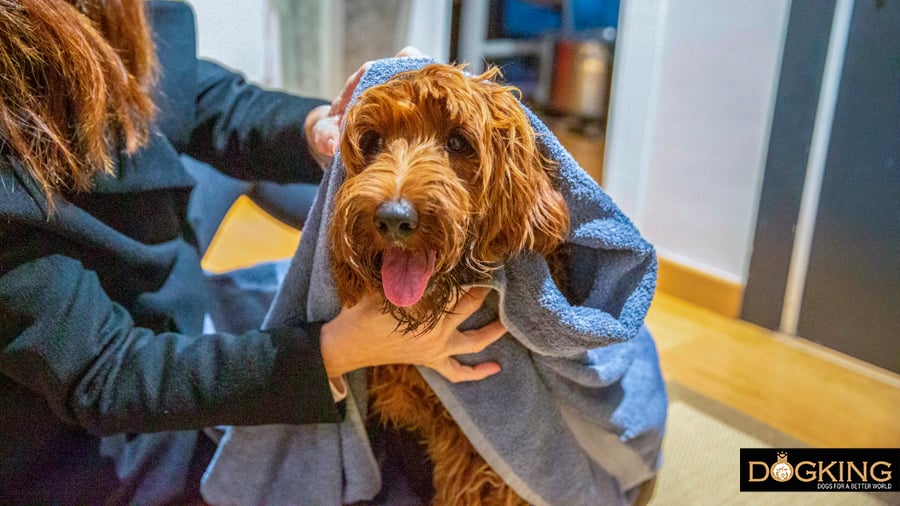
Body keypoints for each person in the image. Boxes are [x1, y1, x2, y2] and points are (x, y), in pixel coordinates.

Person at [0, 0, 505, 503]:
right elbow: (107, 376)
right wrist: (338, 350)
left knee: (327, 195)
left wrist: (319, 127)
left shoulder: (121, 17)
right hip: (95, 435)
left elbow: (190, 92)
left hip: (162, 274)